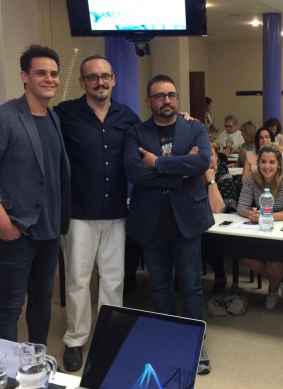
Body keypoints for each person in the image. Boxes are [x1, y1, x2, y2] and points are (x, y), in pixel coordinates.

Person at [0, 44, 70, 345]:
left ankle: (37, 360)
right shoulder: (1, 118)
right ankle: (6, 369)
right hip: (15, 233)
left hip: (49, 232)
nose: (49, 79)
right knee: (9, 308)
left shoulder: (53, 118)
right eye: (41, 73)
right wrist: (4, 224)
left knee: (41, 301)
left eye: (54, 74)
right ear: (25, 76)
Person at [54, 55, 140, 372]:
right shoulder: (64, 114)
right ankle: (75, 339)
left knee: (113, 279)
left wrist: (183, 120)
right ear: (83, 82)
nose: (100, 82)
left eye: (105, 76)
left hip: (116, 211)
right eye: (93, 77)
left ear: (113, 80)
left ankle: (110, 335)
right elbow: (38, 129)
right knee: (78, 280)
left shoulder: (127, 116)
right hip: (79, 212)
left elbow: (150, 138)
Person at [123, 74, 213, 374]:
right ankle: (167, 338)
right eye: (159, 96)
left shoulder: (194, 127)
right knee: (160, 286)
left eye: (171, 95)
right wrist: (180, 172)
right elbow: (133, 172)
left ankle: (194, 343)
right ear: (149, 101)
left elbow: (202, 163)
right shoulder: (136, 133)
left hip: (187, 220)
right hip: (151, 221)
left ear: (177, 98)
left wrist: (159, 163)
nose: (166, 100)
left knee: (190, 285)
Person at [237, 143, 283, 309]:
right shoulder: (252, 178)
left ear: (279, 163)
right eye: (263, 162)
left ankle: (272, 291)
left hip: (282, 232)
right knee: (242, 253)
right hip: (259, 230)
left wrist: (267, 216)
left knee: (275, 261)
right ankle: (281, 278)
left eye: (272, 162)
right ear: (258, 163)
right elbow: (241, 206)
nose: (267, 166)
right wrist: (249, 214)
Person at [203, 141, 242, 294]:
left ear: (216, 156)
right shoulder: (191, 174)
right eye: (203, 154)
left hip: (221, 226)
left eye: (211, 154)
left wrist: (211, 180)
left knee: (207, 241)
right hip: (198, 221)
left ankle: (220, 276)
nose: (207, 158)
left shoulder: (223, 175)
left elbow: (218, 209)